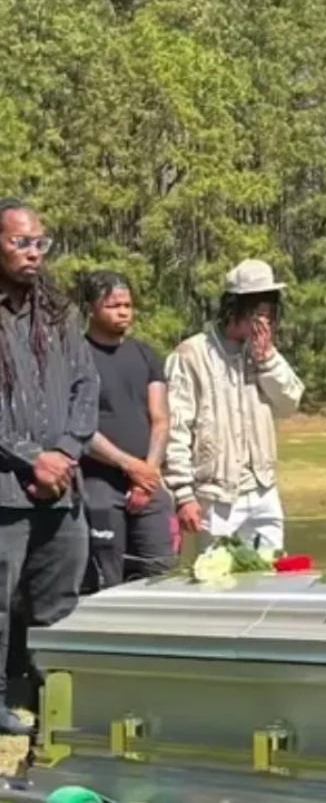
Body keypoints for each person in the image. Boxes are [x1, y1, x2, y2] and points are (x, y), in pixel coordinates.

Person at [0, 199, 98, 735]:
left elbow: (86, 385)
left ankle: (54, 700)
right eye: (20, 242)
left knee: (60, 600)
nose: (33, 252)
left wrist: (63, 451)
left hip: (63, 487)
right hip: (5, 489)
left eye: (40, 242)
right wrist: (30, 457)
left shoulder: (59, 313)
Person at [164, 259, 304, 552]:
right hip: (215, 494)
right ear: (235, 308)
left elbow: (290, 403)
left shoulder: (264, 353)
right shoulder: (191, 354)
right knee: (216, 572)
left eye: (269, 313)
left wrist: (268, 361)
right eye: (257, 313)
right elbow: (176, 428)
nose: (263, 322)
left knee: (270, 570)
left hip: (263, 490)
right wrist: (183, 494)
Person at [79, 271, 173, 589]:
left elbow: (160, 418)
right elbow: (80, 425)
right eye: (113, 306)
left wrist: (148, 473)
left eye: (128, 305)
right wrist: (128, 465)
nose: (123, 312)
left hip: (147, 483)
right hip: (98, 483)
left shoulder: (145, 354)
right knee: (106, 579)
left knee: (161, 574)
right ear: (91, 308)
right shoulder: (75, 356)